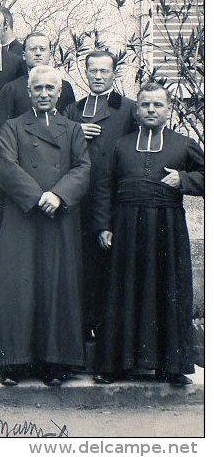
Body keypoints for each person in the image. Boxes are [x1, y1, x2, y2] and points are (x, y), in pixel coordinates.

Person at [92, 83, 203, 386]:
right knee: (122, 290)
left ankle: (171, 366)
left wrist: (185, 179)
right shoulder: (120, 144)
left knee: (167, 289)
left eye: (157, 105)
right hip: (125, 226)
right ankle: (115, 365)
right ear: (136, 110)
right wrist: (103, 225)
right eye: (145, 105)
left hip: (167, 227)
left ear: (169, 110)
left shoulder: (183, 144)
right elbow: (104, 187)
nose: (151, 110)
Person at [0, 65, 90, 386]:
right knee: (18, 285)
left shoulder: (73, 129)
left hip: (59, 216)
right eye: (38, 89)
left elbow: (83, 167)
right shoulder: (12, 127)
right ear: (29, 92)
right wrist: (37, 196)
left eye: (50, 89)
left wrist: (59, 195)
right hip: (24, 215)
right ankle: (14, 362)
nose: (44, 94)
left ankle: (55, 362)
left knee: (57, 285)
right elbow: (6, 167)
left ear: (59, 93)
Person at [64, 50, 137, 340]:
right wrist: (74, 131)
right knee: (82, 266)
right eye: (92, 70)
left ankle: (109, 334)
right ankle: (83, 329)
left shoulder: (128, 108)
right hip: (79, 199)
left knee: (110, 265)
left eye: (103, 71)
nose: (97, 76)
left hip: (113, 200)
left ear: (113, 74)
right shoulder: (74, 110)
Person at [0, 32, 76, 125]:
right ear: (24, 55)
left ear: (50, 54)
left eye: (42, 49)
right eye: (33, 49)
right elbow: (2, 127)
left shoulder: (64, 87)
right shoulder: (10, 89)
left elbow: (72, 124)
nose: (38, 53)